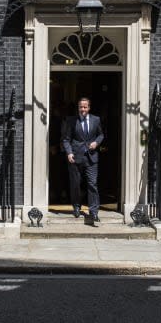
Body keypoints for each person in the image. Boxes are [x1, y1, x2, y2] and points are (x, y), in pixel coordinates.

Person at [61, 97, 104, 226]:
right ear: (78, 108)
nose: (83, 109)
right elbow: (66, 139)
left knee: (92, 184)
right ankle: (76, 206)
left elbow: (101, 134)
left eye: (85, 107)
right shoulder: (71, 121)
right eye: (81, 107)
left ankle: (94, 211)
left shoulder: (96, 120)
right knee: (75, 184)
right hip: (75, 157)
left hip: (91, 157)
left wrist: (96, 142)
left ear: (89, 108)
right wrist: (69, 152)